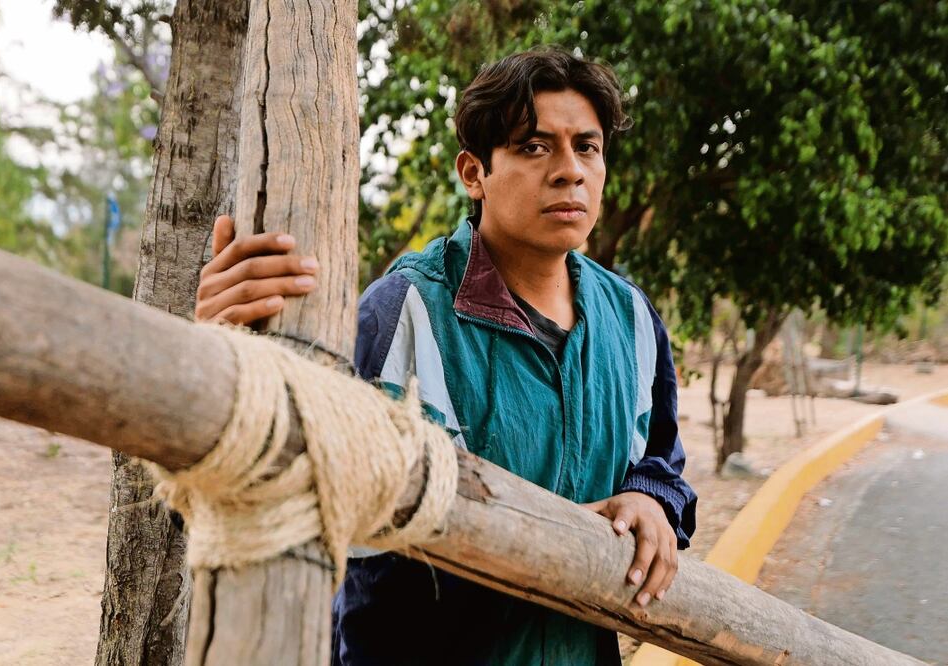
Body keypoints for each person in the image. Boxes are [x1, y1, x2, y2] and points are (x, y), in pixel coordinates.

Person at [194, 47, 696, 666]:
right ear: (474, 172)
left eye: (586, 148)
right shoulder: (402, 312)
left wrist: (649, 498)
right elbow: (314, 498)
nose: (570, 171)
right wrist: (224, 364)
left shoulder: (632, 318)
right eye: (534, 147)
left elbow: (662, 462)